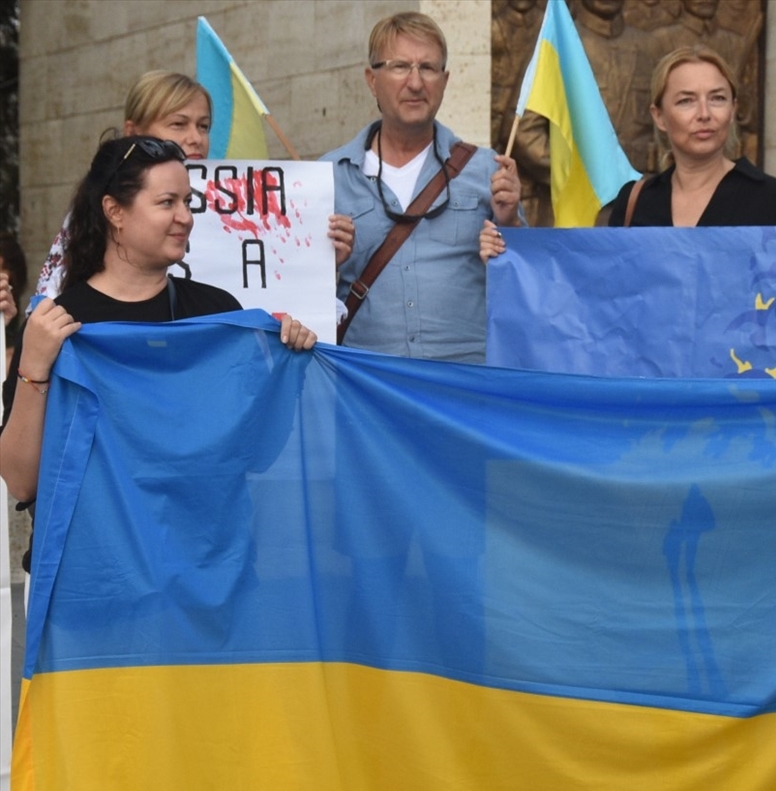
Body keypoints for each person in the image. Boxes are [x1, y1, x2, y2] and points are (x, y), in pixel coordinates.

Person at [0, 135, 317, 522]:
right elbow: (21, 482)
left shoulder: (217, 313)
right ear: (115, 211)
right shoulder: (57, 324)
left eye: (187, 201)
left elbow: (257, 455)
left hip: (205, 562)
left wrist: (288, 370)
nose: (185, 216)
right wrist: (32, 367)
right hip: (101, 573)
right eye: (167, 202)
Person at [33, 70, 355, 302]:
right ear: (133, 130)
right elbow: (53, 305)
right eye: (178, 124)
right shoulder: (99, 206)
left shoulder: (240, 202)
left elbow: (269, 293)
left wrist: (315, 258)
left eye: (203, 126)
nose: (195, 138)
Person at [323, 11, 522, 362]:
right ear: (372, 79)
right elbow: (299, 298)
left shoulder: (486, 171)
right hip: (367, 390)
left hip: (463, 391)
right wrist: (328, 264)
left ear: (445, 80)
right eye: (400, 66)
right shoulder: (330, 176)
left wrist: (511, 226)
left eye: (428, 68)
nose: (415, 83)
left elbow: (525, 288)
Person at [608, 45, 776, 227]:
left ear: (732, 110)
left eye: (718, 99)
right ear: (659, 116)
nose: (704, 114)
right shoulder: (634, 202)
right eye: (686, 101)